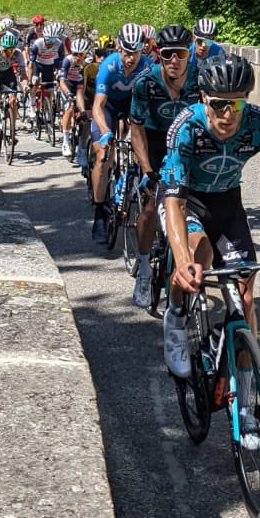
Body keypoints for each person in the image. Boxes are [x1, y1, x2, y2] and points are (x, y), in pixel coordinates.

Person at [160, 56, 260, 448]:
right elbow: (174, 201)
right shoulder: (186, 127)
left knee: (244, 300)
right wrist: (182, 263)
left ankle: (245, 405)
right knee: (198, 258)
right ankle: (176, 316)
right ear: (203, 98)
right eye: (219, 104)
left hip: (228, 205)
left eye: (237, 104)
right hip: (187, 203)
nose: (228, 114)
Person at [127, 24, 200, 306]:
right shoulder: (145, 83)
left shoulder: (201, 79)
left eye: (180, 53)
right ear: (159, 54)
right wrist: (147, 170)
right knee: (149, 206)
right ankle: (144, 267)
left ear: (189, 54)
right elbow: (136, 130)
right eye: (168, 54)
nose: (174, 60)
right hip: (155, 141)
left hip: (188, 144)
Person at [90, 24, 152, 244]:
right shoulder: (109, 66)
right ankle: (99, 212)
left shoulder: (148, 66)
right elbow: (98, 105)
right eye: (127, 52)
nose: (131, 58)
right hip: (108, 107)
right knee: (103, 156)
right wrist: (105, 131)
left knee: (144, 150)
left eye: (136, 52)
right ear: (119, 48)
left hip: (131, 107)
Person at [0, 30, 28, 150]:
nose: (9, 53)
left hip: (8, 73)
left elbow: (23, 74)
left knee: (13, 100)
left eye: (12, 50)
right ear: (2, 48)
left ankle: (12, 130)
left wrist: (25, 86)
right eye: (7, 50)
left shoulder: (18, 54)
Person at [58, 36, 91, 160]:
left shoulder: (88, 62)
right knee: (70, 108)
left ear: (85, 54)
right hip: (68, 86)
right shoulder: (67, 61)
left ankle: (83, 145)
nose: (77, 57)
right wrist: (68, 94)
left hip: (81, 87)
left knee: (86, 114)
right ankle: (65, 141)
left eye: (80, 54)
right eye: (75, 54)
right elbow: (61, 82)